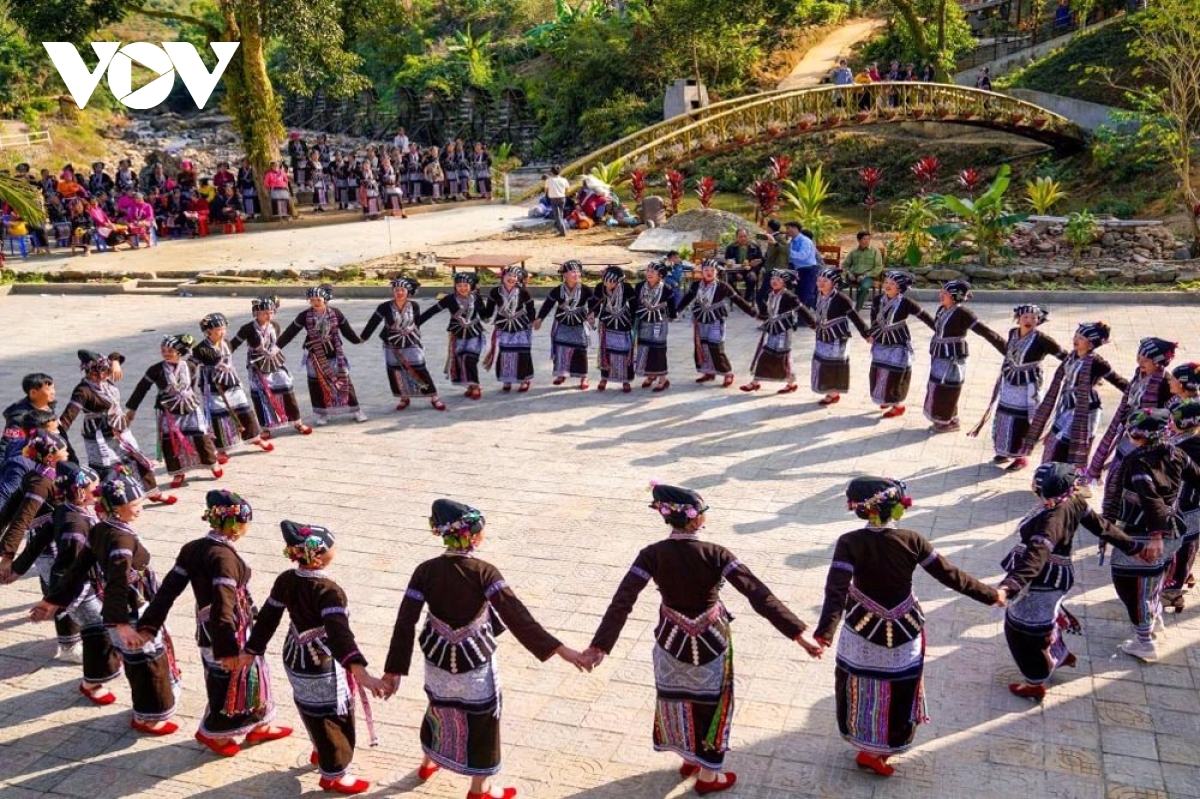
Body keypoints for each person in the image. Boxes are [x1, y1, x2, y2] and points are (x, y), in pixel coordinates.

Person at [583, 483, 823, 794]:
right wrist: (798, 633)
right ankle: (709, 777)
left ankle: (688, 757)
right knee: (714, 703)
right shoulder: (717, 554)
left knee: (676, 698)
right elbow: (758, 594)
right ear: (695, 519)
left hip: (671, 640)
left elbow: (623, 600)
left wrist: (600, 646)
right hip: (712, 641)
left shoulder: (651, 555)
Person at [382, 499, 587, 799]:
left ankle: (428, 763)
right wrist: (561, 649)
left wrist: (394, 670)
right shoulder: (484, 572)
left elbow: (405, 621)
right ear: (473, 536)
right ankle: (481, 789)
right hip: (474, 661)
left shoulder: (424, 571)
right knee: (482, 718)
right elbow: (516, 615)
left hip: (437, 658)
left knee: (439, 707)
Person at [814, 477, 1002, 776]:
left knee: (861, 685)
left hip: (862, 629)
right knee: (900, 686)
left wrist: (824, 634)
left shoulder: (849, 542)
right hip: (906, 628)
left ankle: (866, 747)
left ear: (862, 511)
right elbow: (948, 574)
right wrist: (992, 595)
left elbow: (836, 590)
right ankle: (883, 750)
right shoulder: (913, 540)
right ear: (895, 508)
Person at [137, 490, 289, 756]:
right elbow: (223, 604)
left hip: (218, 628)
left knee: (253, 675)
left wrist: (150, 624)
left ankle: (259, 725)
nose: (247, 527)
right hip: (226, 631)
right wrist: (228, 649)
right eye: (246, 521)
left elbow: (168, 590)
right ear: (234, 524)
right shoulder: (224, 559)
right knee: (226, 681)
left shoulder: (194, 548)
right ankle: (214, 734)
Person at [33, 470, 181, 735]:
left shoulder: (102, 529)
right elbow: (117, 582)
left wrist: (53, 601)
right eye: (134, 506)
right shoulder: (120, 539)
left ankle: (112, 692)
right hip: (130, 610)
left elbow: (78, 569)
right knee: (146, 663)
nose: (140, 510)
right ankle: (148, 718)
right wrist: (123, 625)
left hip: (123, 608)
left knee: (134, 658)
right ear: (117, 509)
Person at [244, 521, 386, 795]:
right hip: (320, 663)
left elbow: (269, 617)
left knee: (311, 710)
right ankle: (334, 774)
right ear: (318, 555)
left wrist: (252, 649)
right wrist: (361, 672)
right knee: (333, 716)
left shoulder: (286, 579)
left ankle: (319, 750)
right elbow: (339, 635)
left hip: (295, 656)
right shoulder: (328, 591)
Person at [997, 462, 1145, 699]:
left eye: (1037, 485)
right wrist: (1132, 546)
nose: (1035, 489)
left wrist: (1009, 588)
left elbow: (1036, 557)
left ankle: (1036, 681)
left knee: (1022, 630)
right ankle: (1059, 653)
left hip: (1042, 582)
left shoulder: (1051, 521)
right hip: (1056, 577)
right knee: (1044, 621)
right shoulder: (1074, 501)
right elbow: (1102, 527)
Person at [13, 462, 121, 702]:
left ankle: (101, 670)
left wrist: (17, 568)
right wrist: (51, 602)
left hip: (86, 584)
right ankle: (93, 683)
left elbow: (39, 539)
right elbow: (68, 566)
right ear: (81, 491)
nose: (99, 491)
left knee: (103, 629)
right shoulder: (75, 524)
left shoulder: (65, 509)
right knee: (97, 630)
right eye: (95, 488)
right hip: (78, 588)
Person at [1100, 409, 1199, 662]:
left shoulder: (1139, 462)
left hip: (1145, 535)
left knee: (1132, 588)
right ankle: (1153, 622)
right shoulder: (1176, 453)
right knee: (1152, 584)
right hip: (1172, 533)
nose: (1131, 436)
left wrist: (1155, 536)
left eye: (1134, 433)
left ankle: (1145, 642)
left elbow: (1150, 498)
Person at [0, 432, 79, 658]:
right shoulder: (42, 482)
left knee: (62, 587)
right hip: (50, 543)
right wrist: (8, 557)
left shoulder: (40, 474)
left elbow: (6, 513)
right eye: (63, 448)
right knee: (59, 587)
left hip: (58, 535)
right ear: (51, 455)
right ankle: (69, 646)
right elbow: (20, 517)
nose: (67, 451)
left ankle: (74, 630)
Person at [59, 350, 168, 502]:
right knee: (107, 469)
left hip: (119, 428)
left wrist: (115, 363)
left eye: (107, 370)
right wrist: (56, 434)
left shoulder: (105, 381)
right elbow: (68, 416)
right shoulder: (83, 391)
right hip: (100, 435)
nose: (108, 373)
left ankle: (153, 492)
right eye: (103, 371)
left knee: (136, 457)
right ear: (92, 372)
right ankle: (109, 502)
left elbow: (115, 355)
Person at [1020, 322, 1128, 472]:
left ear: (1091, 344)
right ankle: (1050, 475)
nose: (1075, 340)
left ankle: (1072, 481)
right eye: (1076, 336)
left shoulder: (1096, 362)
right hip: (1067, 406)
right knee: (1055, 441)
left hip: (1085, 410)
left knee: (1069, 445)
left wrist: (1134, 394)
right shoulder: (1072, 355)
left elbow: (1117, 380)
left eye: (1081, 338)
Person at [970, 305, 1066, 472]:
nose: (1029, 321)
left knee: (1023, 419)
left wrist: (1080, 369)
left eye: (1033, 318)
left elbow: (1063, 354)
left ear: (1039, 320)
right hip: (1009, 381)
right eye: (1025, 317)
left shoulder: (1042, 339)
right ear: (1018, 319)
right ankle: (1004, 450)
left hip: (1028, 386)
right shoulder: (1013, 333)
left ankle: (1021, 456)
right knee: (1004, 414)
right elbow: (1009, 352)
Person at [125, 334, 222, 489]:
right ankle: (178, 471)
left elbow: (195, 382)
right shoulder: (155, 370)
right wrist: (132, 409)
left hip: (190, 406)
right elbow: (141, 388)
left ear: (179, 352)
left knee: (200, 435)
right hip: (169, 409)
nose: (166, 353)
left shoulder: (189, 366)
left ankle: (212, 463)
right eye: (163, 350)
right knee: (171, 441)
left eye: (170, 350)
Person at [1087, 337, 1177, 487]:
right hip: (1129, 431)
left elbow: (1174, 410)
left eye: (1146, 360)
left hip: (1148, 437)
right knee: (1118, 469)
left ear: (1158, 362)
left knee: (1131, 474)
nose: (1140, 363)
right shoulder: (1140, 374)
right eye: (1138, 358)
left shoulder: (1165, 383)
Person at [922, 280, 1007, 433]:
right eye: (941, 292)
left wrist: (1008, 350)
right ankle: (949, 417)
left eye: (945, 293)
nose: (941, 295)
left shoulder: (963, 314)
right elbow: (937, 328)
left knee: (948, 387)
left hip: (953, 356)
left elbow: (986, 332)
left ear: (955, 296)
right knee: (937, 385)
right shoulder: (942, 309)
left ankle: (948, 422)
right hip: (939, 354)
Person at [277, 285, 368, 425]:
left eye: (318, 299)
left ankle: (355, 410)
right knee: (316, 383)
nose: (315, 303)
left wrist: (358, 340)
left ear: (325, 299)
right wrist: (277, 347)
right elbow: (291, 331)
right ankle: (323, 413)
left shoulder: (336, 313)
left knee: (344, 379)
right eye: (312, 300)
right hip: (315, 354)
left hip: (334, 352)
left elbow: (346, 330)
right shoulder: (305, 315)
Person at [192, 313, 273, 463]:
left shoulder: (227, 343)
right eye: (217, 330)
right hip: (214, 386)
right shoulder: (200, 349)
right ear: (208, 331)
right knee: (219, 417)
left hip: (232, 382)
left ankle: (254, 437)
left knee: (244, 409)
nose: (222, 333)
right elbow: (191, 365)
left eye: (223, 329)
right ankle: (222, 448)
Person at [228, 297, 312, 438]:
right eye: (265, 313)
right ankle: (266, 427)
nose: (269, 316)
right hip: (257, 364)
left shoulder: (275, 326)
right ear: (256, 313)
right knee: (261, 395)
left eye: (271, 312)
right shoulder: (248, 328)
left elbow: (278, 343)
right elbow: (233, 345)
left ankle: (296, 421)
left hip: (275, 361)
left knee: (286, 388)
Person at [359, 277, 447, 411]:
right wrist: (363, 337)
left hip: (411, 341)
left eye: (402, 290)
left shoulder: (414, 306)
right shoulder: (384, 307)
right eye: (396, 290)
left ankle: (434, 396)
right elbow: (373, 322)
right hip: (392, 344)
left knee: (419, 368)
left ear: (408, 291)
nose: (399, 292)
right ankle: (404, 397)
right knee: (396, 371)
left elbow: (416, 323)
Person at [866, 271, 935, 419]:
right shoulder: (878, 299)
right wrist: (871, 333)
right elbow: (873, 317)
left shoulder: (906, 303)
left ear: (900, 288)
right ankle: (885, 397)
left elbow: (925, 317)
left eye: (892, 284)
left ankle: (898, 405)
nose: (887, 286)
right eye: (886, 283)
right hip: (880, 340)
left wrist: (940, 331)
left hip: (898, 341)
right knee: (879, 372)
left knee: (894, 374)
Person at [678, 258, 756, 388]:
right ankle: (708, 372)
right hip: (700, 318)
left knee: (715, 346)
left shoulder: (722, 286)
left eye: (712, 270)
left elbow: (738, 300)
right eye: (706, 270)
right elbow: (687, 298)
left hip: (716, 318)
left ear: (717, 272)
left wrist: (753, 312)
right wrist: (676, 311)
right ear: (701, 271)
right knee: (702, 346)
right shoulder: (697, 285)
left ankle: (727, 373)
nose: (709, 272)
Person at [802, 269, 869, 405]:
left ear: (833, 283)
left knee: (833, 365)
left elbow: (855, 317)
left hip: (837, 336)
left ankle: (833, 393)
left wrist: (866, 334)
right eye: (819, 280)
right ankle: (829, 391)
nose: (821, 283)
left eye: (825, 281)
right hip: (822, 335)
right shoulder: (819, 295)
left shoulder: (841, 299)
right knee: (822, 363)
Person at [419, 272, 489, 400]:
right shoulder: (450, 299)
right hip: (457, 333)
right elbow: (431, 311)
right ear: (455, 286)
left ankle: (475, 385)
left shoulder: (476, 298)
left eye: (465, 285)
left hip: (474, 331)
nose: (462, 288)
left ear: (471, 286)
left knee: (470, 358)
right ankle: (469, 385)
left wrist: (494, 306)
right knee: (460, 360)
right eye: (459, 285)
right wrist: (416, 323)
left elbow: (484, 315)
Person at [742, 269, 803, 394]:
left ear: (785, 283)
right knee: (765, 354)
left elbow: (802, 311)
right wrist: (762, 316)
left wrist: (814, 324)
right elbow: (772, 312)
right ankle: (755, 382)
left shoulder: (790, 297)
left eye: (778, 280)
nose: (774, 281)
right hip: (772, 329)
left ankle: (791, 383)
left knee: (782, 357)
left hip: (784, 331)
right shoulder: (771, 294)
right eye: (772, 279)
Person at [534, 260, 593, 390]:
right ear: (565, 275)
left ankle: (584, 376)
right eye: (573, 272)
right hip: (562, 323)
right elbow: (548, 304)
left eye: (578, 271)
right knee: (561, 348)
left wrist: (592, 314)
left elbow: (594, 304)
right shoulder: (558, 290)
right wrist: (540, 318)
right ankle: (561, 373)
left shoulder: (585, 290)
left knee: (580, 350)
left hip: (579, 324)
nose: (576, 274)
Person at [1164, 398, 1200, 611]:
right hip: (1182, 503)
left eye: (1173, 420)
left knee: (1183, 545)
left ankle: (1174, 591)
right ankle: (1176, 584)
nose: (1169, 423)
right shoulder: (1181, 439)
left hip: (1189, 505)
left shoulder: (1192, 446)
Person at [483, 265, 536, 392]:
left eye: (514, 276)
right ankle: (507, 380)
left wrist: (532, 321)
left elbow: (530, 308)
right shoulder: (495, 292)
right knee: (505, 353)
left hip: (521, 325)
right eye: (509, 275)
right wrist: (481, 314)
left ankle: (524, 380)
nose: (511, 278)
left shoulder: (523, 292)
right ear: (503, 276)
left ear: (518, 279)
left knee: (522, 352)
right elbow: (489, 309)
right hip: (503, 325)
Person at [633, 261, 678, 392]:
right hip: (644, 322)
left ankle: (663, 379)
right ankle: (650, 374)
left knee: (658, 349)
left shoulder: (666, 288)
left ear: (660, 275)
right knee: (645, 348)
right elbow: (635, 304)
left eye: (653, 271)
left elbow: (671, 305)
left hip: (659, 322)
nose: (649, 273)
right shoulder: (639, 286)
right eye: (648, 271)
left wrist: (673, 315)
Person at [593, 265, 637, 393]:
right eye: (606, 281)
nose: (608, 284)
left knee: (625, 353)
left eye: (611, 281)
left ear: (619, 281)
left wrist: (634, 322)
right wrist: (592, 315)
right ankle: (604, 378)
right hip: (606, 324)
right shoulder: (600, 288)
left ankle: (626, 380)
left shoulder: (627, 288)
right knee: (605, 352)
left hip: (623, 323)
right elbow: (595, 305)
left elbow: (634, 306)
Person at [840, 231, 883, 312]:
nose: (867, 241)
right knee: (837, 286)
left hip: (867, 276)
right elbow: (845, 265)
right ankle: (837, 307)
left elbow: (879, 267)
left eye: (868, 239)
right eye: (864, 239)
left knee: (864, 288)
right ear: (859, 240)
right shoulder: (853, 251)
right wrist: (849, 273)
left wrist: (865, 275)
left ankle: (856, 310)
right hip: (853, 276)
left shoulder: (875, 251)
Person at [722, 228, 763, 300]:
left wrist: (753, 266)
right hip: (735, 271)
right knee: (727, 278)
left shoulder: (755, 247)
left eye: (745, 236)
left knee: (752, 278)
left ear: (748, 236)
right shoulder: (730, 248)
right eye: (740, 237)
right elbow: (727, 263)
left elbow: (760, 263)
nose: (743, 238)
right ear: (737, 237)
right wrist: (736, 273)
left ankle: (747, 298)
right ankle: (738, 296)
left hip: (750, 270)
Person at [786, 222, 819, 308]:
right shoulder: (791, 241)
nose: (787, 231)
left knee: (806, 295)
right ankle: (805, 316)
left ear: (795, 229)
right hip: (798, 270)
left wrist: (787, 251)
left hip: (808, 270)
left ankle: (808, 317)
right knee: (800, 295)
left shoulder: (805, 241)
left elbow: (802, 256)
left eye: (788, 228)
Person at [545, 166, 570, 237]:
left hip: (553, 199)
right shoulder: (564, 180)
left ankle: (563, 231)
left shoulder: (548, 180)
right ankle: (560, 229)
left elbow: (546, 190)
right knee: (560, 214)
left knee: (557, 216)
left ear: (551, 172)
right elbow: (567, 190)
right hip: (562, 198)